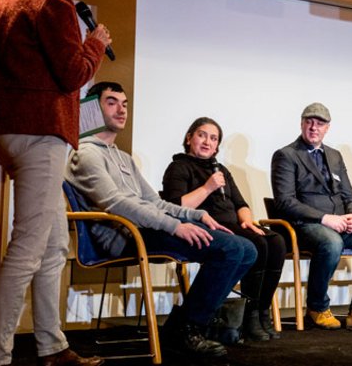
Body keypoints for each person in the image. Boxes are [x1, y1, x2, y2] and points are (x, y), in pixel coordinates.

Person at [0, 0, 111, 364]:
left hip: (5, 132)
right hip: (40, 133)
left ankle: (52, 345)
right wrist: (95, 43)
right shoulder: (53, 0)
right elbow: (73, 74)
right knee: (28, 249)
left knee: (50, 245)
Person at [65, 82, 256, 357]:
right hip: (123, 235)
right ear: (94, 109)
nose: (121, 110)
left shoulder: (122, 158)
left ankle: (182, 326)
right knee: (234, 249)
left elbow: (154, 202)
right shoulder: (86, 154)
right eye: (111, 102)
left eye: (125, 104)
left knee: (247, 250)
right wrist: (175, 226)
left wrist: (195, 214)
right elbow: (116, 204)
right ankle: (189, 327)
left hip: (144, 227)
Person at [270, 102, 352, 331]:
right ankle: (317, 308)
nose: (313, 127)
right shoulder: (286, 155)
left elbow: (349, 194)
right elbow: (285, 202)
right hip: (307, 225)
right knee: (331, 241)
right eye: (309, 122)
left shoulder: (335, 155)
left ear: (327, 128)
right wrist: (324, 218)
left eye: (319, 123)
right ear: (301, 124)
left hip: (341, 224)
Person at [162, 117, 286, 341]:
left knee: (275, 241)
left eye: (213, 138)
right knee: (257, 244)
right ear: (189, 138)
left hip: (234, 224)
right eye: (202, 135)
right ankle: (248, 316)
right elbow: (174, 207)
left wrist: (247, 221)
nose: (207, 142)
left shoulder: (221, 170)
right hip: (205, 225)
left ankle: (260, 311)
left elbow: (241, 204)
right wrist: (208, 187)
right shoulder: (178, 167)